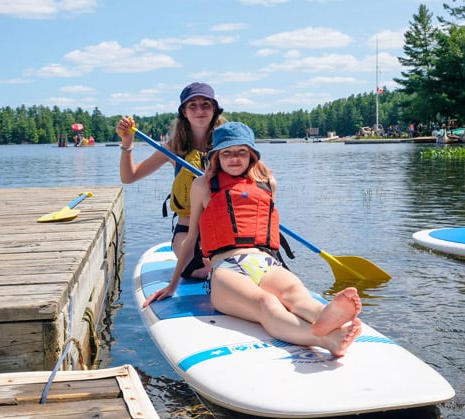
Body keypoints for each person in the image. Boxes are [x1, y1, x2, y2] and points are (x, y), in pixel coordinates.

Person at [143, 122, 362, 357]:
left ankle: (325, 315)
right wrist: (173, 285)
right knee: (266, 303)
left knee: (296, 295)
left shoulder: (268, 183)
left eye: (241, 152)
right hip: (227, 269)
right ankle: (327, 339)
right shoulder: (202, 186)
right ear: (216, 157)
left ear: (252, 155)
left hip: (266, 263)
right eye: (226, 153)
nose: (234, 158)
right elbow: (192, 238)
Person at [116, 82, 226, 279]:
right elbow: (129, 177)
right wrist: (127, 143)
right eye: (192, 105)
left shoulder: (228, 145)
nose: (199, 110)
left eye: (205, 105)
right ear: (184, 111)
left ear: (214, 110)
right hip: (187, 230)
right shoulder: (173, 149)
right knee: (200, 269)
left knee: (228, 267)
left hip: (222, 229)